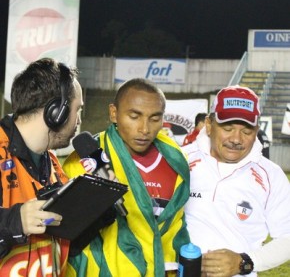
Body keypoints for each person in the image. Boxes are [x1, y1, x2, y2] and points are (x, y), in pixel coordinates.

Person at [63, 78, 190, 277]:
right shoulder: (84, 161)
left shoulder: (175, 158)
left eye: (155, 118)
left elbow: (176, 226)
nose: (145, 129)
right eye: (134, 116)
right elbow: (69, 238)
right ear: (114, 113)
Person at [183, 85, 290, 277]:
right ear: (209, 125)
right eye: (228, 128)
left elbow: (287, 238)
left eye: (247, 131)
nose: (236, 139)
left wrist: (244, 262)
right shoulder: (180, 160)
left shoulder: (272, 176)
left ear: (257, 130)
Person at [0, 58, 83, 276]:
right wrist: (14, 221)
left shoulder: (53, 164)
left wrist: (99, 206)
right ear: (56, 112)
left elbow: (69, 243)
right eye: (78, 110)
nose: (78, 121)